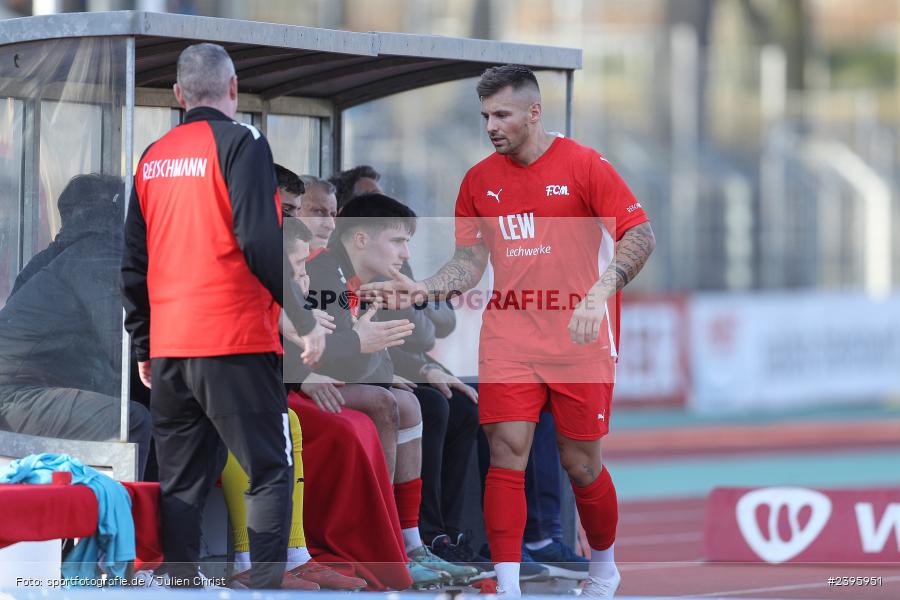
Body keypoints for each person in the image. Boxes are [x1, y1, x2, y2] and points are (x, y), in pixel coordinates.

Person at [360, 64, 656, 598]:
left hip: (579, 337)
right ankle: (512, 586)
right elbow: (469, 264)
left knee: (580, 464)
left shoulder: (585, 165)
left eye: (502, 114)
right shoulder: (478, 181)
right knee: (506, 451)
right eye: (484, 116)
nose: (491, 125)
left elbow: (640, 234)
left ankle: (604, 569)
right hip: (510, 336)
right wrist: (422, 289)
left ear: (534, 112)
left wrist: (598, 293)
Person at [121, 43, 326, 590]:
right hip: (235, 340)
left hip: (171, 348)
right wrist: (304, 321)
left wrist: (145, 343)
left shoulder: (153, 155)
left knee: (180, 481)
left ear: (178, 95)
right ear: (233, 89)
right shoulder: (244, 141)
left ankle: (181, 581)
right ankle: (261, 585)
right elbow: (260, 240)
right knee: (268, 470)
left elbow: (134, 263)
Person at [299, 193, 477, 586]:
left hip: (330, 379)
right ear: (361, 239)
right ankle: (383, 545)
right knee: (386, 401)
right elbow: (331, 357)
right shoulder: (325, 274)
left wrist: (394, 359)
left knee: (411, 404)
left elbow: (398, 344)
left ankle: (410, 543)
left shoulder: (365, 278)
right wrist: (366, 347)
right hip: (296, 385)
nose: (405, 253)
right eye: (398, 241)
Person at [0, 173, 151, 478]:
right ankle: (134, 524)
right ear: (115, 211)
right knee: (133, 420)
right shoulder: (97, 254)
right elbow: (122, 350)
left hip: (20, 392)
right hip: (18, 396)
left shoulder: (51, 257)